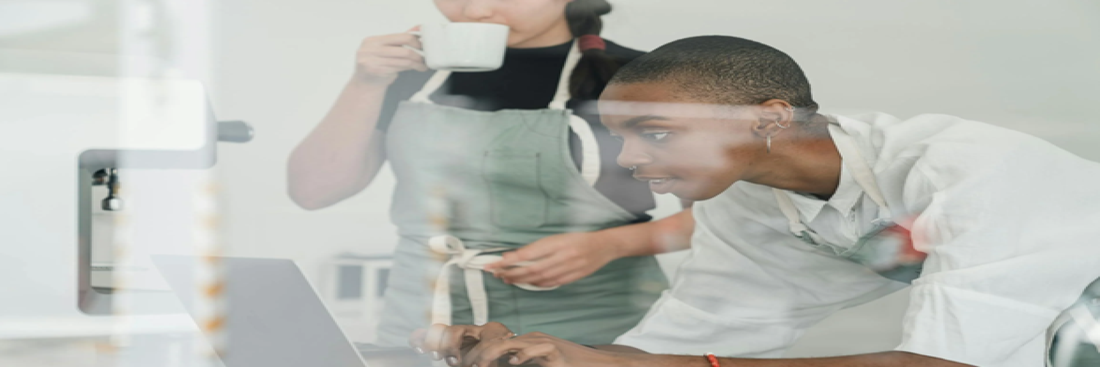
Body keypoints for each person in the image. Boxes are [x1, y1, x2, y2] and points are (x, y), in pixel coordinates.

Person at [410, 36, 1100, 367]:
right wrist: (547, 353)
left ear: (768, 118)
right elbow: (677, 348)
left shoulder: (966, 169)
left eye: (655, 132)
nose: (630, 160)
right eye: (619, 136)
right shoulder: (751, 204)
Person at [288, 0, 695, 348]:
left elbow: (723, 218)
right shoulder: (409, 72)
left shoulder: (638, 78)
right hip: (424, 327)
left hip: (595, 336)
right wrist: (366, 82)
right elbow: (313, 191)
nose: (474, 10)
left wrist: (611, 245)